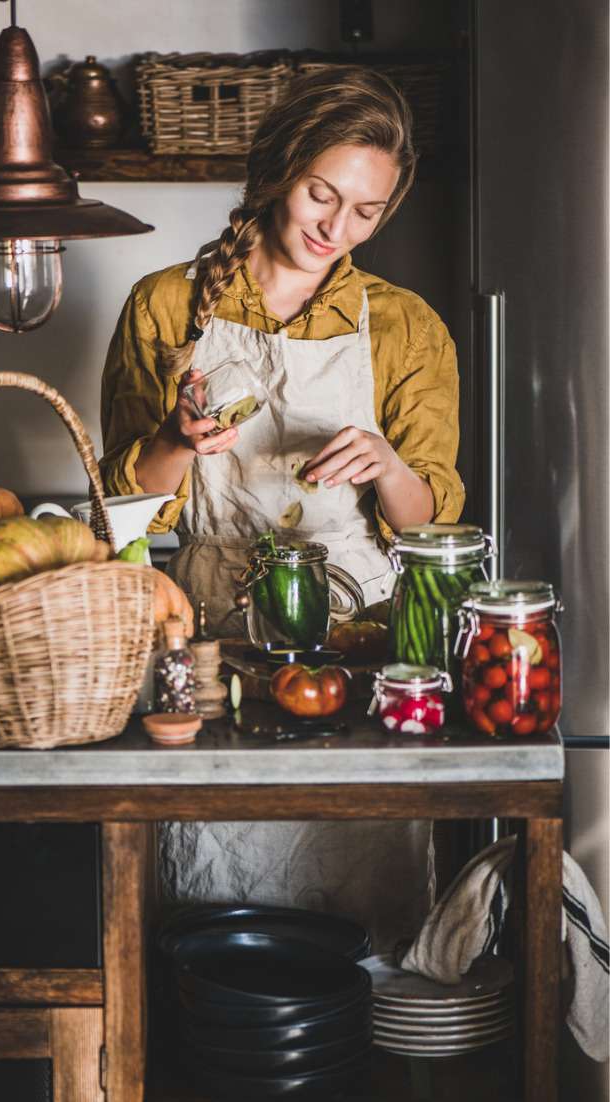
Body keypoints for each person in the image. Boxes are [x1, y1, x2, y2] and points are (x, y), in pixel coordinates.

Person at [99, 67, 465, 949]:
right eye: (320, 195)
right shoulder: (164, 304)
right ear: (277, 171)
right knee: (212, 897)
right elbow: (117, 519)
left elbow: (434, 530)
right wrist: (180, 440)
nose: (337, 229)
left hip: (361, 647)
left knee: (359, 899)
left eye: (367, 212)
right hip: (210, 647)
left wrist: (385, 466)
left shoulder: (406, 324)